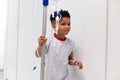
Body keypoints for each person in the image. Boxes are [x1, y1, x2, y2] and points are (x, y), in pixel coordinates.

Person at [35, 9, 83, 80]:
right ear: (54, 26)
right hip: (49, 78)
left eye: (69, 24)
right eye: (63, 24)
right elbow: (38, 54)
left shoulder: (70, 44)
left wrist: (75, 62)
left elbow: (69, 60)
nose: (67, 26)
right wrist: (39, 45)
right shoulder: (48, 41)